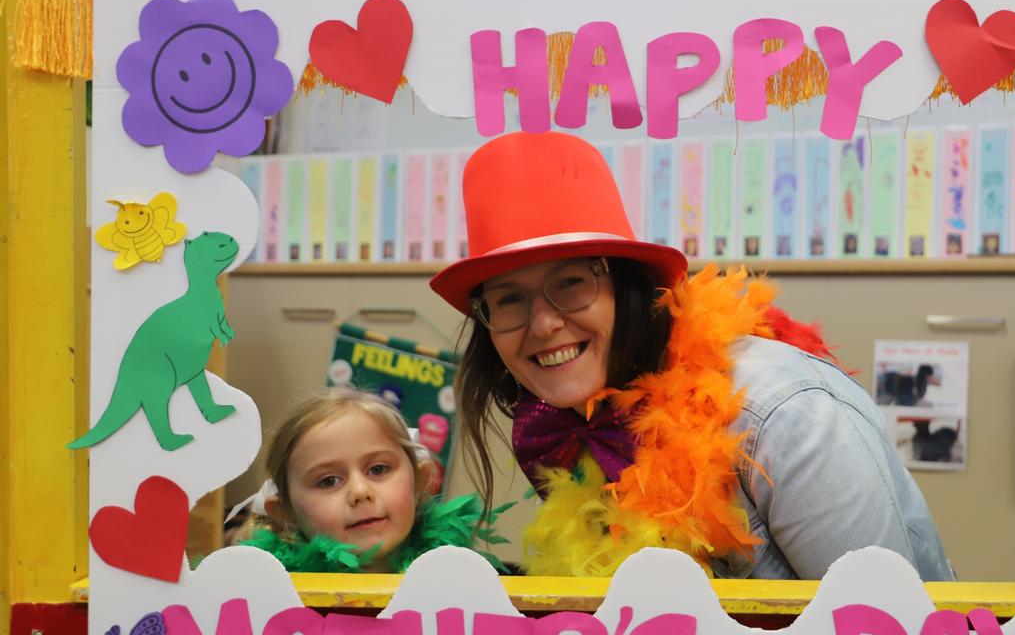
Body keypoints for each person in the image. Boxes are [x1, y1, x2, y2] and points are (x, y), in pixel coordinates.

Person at [430, 132, 952, 581]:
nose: (542, 324)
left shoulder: (783, 414)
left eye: (571, 282)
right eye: (509, 300)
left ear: (627, 289)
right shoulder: (576, 422)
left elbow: (881, 621)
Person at [237, 390, 506, 573]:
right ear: (287, 512)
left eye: (378, 469)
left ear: (419, 481)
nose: (360, 491)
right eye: (329, 481)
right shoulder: (269, 598)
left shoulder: (460, 581)